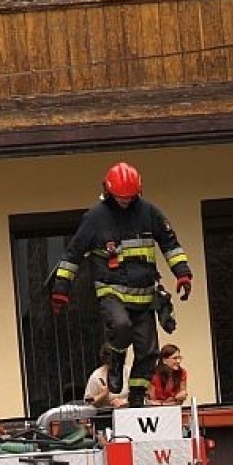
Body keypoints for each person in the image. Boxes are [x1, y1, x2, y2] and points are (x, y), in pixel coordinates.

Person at [50, 161, 192, 408]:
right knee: (121, 326)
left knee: (148, 352)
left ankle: (136, 396)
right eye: (120, 197)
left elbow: (170, 244)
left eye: (130, 197)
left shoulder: (149, 213)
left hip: (145, 295)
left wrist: (182, 273)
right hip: (111, 289)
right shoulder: (95, 218)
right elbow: (72, 255)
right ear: (108, 190)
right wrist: (61, 290)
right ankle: (115, 359)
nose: (125, 201)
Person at [84, 343, 130, 408]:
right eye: (113, 360)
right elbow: (87, 402)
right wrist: (103, 394)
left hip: (127, 413)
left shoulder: (128, 371)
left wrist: (125, 401)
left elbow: (144, 397)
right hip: (106, 415)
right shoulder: (96, 376)